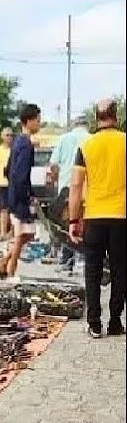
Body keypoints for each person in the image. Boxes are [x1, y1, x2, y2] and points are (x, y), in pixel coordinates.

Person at [68, 99, 126, 338]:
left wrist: (73, 220)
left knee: (92, 271)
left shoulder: (86, 146)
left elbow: (75, 186)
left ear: (96, 118)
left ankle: (94, 322)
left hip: (94, 217)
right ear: (116, 116)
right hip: (122, 216)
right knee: (120, 271)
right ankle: (115, 321)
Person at [0, 104, 42, 281]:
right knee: (22, 233)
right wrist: (27, 196)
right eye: (38, 120)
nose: (39, 124)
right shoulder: (25, 144)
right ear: (29, 121)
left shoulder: (17, 143)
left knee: (26, 234)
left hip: (15, 193)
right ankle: (9, 270)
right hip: (20, 197)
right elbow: (20, 175)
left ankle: (4, 262)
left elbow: (8, 170)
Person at [48, 115, 91, 274]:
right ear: (87, 126)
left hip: (66, 187)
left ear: (74, 125)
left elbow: (53, 165)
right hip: (85, 190)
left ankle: (65, 260)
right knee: (81, 225)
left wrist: (56, 179)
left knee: (65, 226)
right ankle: (80, 260)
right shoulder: (92, 139)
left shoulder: (63, 139)